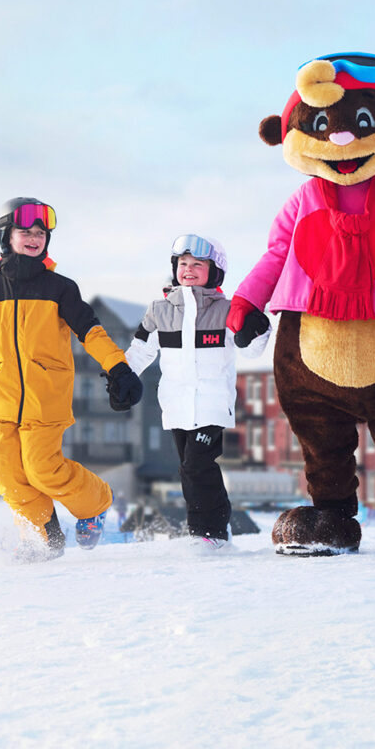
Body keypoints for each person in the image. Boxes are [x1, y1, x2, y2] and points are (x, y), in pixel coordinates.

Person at [0, 197, 145, 559]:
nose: (34, 238)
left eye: (40, 233)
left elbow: (91, 333)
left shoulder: (60, 288)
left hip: (45, 400)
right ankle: (45, 540)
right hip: (3, 403)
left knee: (42, 469)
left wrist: (119, 367)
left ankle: (96, 503)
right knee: (9, 478)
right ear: (7, 236)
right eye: (25, 232)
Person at [121, 234, 271, 546]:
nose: (188, 269)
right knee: (188, 469)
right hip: (176, 406)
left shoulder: (226, 310)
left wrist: (258, 329)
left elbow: (252, 350)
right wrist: (122, 376)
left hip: (212, 405)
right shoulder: (159, 311)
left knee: (197, 466)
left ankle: (209, 532)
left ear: (214, 272)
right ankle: (210, 530)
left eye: (197, 264)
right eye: (183, 264)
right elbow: (140, 351)